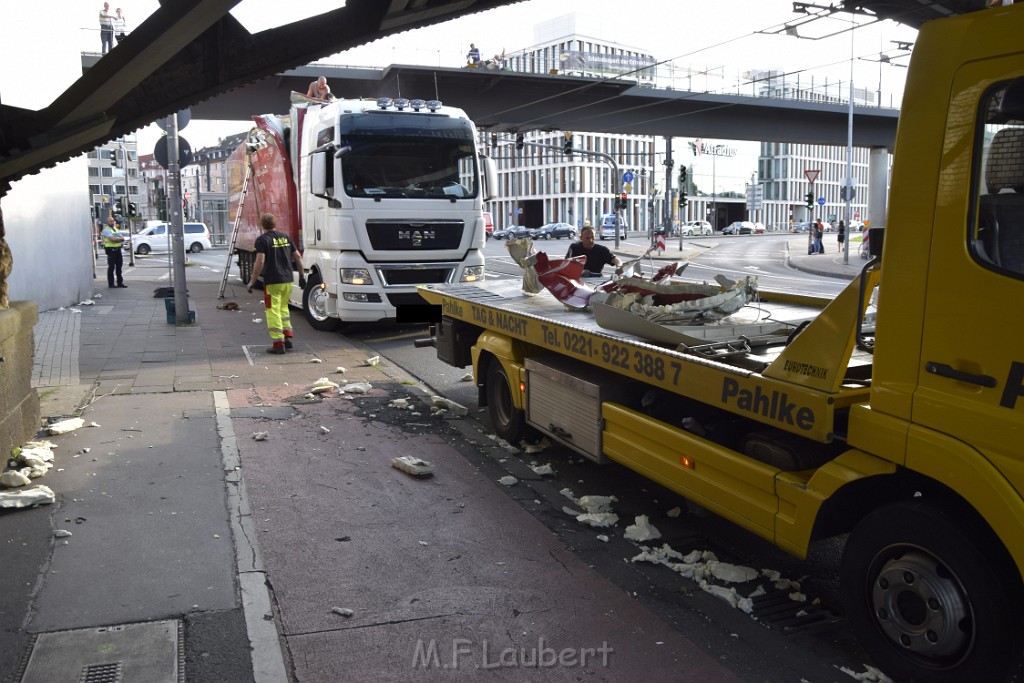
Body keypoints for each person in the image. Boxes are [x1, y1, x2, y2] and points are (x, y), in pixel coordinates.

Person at [248, 213, 306, 354]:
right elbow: (297, 257)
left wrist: (252, 281)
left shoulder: (262, 240)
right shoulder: (286, 237)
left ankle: (278, 344)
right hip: (287, 280)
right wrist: (302, 276)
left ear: (262, 225)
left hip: (273, 281)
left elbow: (260, 261)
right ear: (275, 223)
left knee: (272, 311)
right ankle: (287, 338)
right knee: (283, 309)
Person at [100, 215, 127, 288]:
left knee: (119, 267)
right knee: (111, 267)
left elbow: (122, 238)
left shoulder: (115, 229)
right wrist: (118, 239)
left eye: (113, 221)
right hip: (111, 250)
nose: (112, 222)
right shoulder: (105, 230)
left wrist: (117, 239)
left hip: (118, 249)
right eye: (110, 221)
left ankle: (120, 283)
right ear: (107, 222)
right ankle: (111, 284)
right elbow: (112, 239)